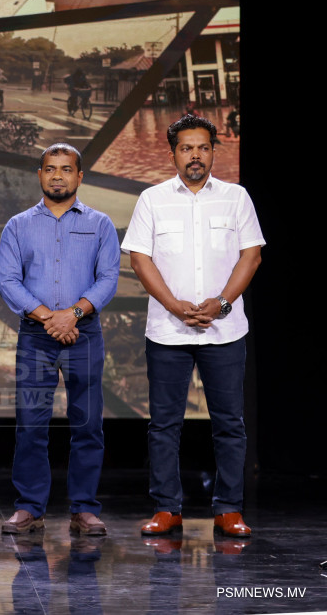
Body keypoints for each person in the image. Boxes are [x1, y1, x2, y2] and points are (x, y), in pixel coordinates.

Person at [121, 114, 264, 538]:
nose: (195, 155)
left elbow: (251, 256)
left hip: (225, 331)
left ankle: (229, 509)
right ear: (173, 154)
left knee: (230, 424)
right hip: (168, 331)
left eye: (203, 147)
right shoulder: (152, 199)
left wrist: (222, 303)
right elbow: (140, 259)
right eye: (186, 148)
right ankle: (167, 508)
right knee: (164, 425)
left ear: (214, 151)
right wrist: (174, 305)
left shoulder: (237, 197)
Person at [0, 142, 120, 537]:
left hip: (84, 334)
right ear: (40, 174)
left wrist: (73, 314)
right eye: (50, 169)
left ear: (79, 176)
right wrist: (50, 317)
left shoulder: (100, 224)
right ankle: (30, 507)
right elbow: (8, 281)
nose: (57, 176)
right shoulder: (18, 225)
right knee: (31, 425)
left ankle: (84, 508)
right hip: (36, 336)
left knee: (88, 424)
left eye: (66, 169)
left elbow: (108, 278)